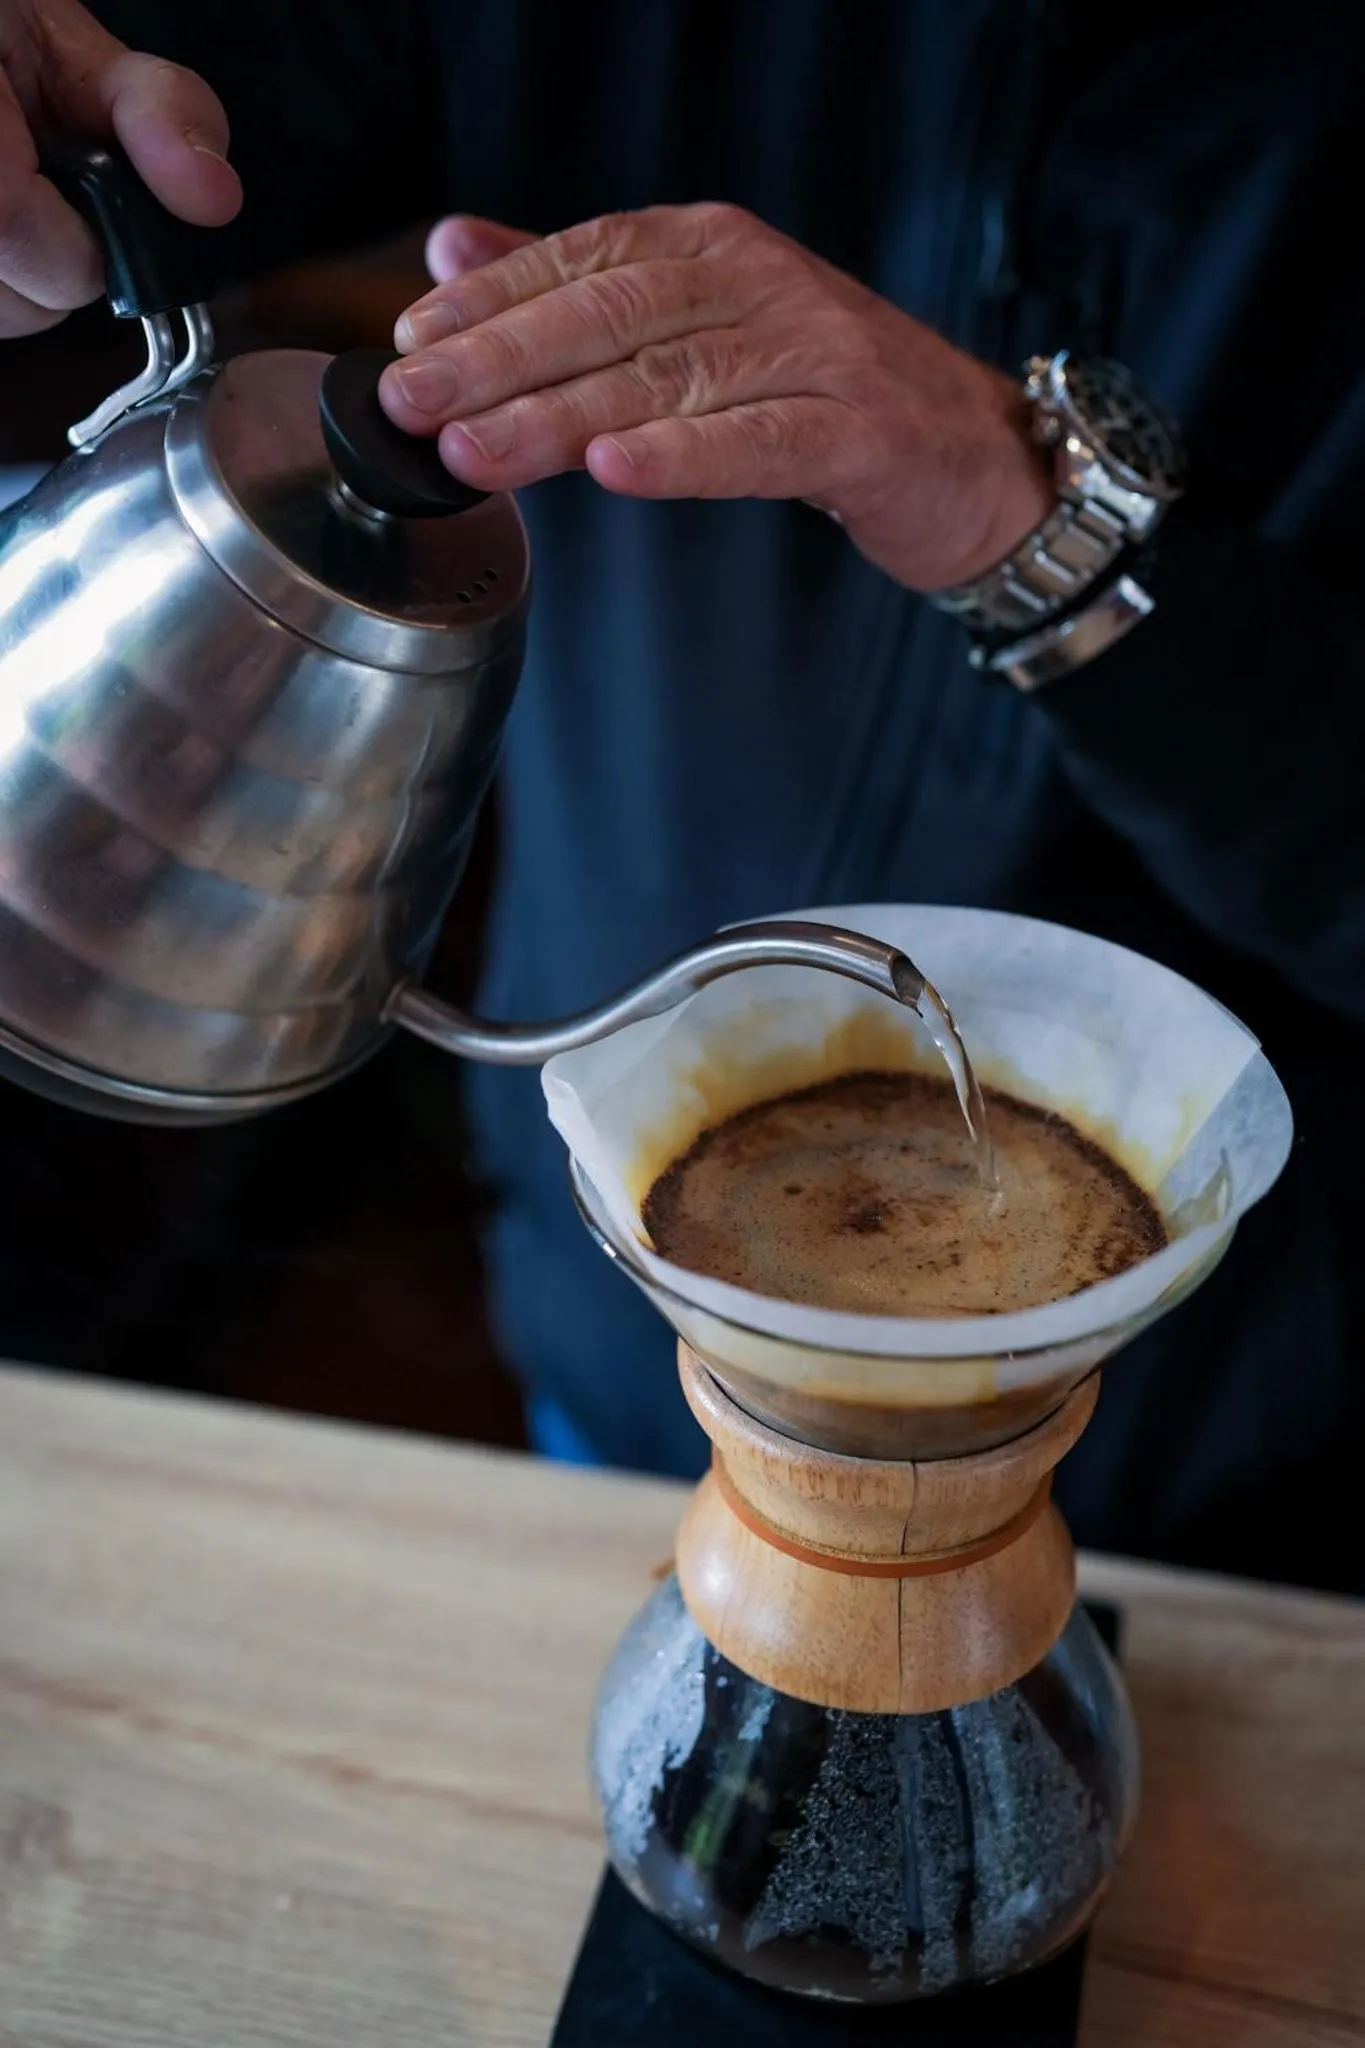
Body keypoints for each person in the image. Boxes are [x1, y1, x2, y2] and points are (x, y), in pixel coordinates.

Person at [2, 0, 1362, 1591]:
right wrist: (59, 102)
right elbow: (181, 141)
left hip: (1226, 1486)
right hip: (621, 1348)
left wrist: (1036, 514)